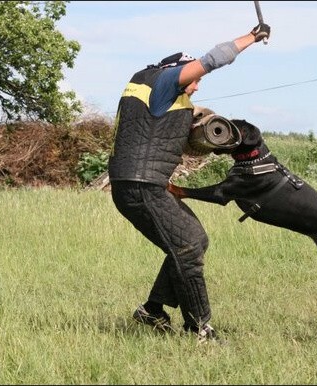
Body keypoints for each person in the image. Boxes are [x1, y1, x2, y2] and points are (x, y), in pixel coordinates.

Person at [108, 23, 271, 343]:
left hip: (137, 184)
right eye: (194, 80)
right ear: (181, 71)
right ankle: (201, 329)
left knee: (194, 239)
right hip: (142, 186)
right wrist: (252, 38)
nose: (196, 86)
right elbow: (213, 58)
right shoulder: (168, 80)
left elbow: (168, 139)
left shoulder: (145, 85)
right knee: (187, 246)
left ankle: (153, 310)